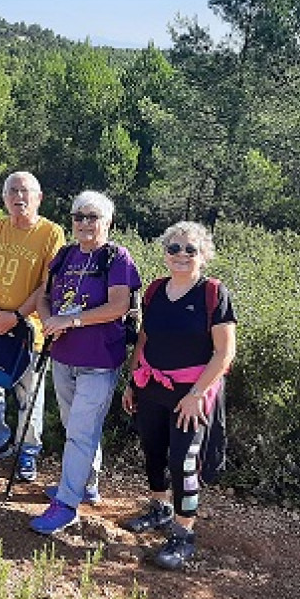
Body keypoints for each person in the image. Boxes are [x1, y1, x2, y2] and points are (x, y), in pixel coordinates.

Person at [121, 222, 236, 570]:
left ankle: (183, 533)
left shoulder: (213, 294)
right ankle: (160, 507)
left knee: (183, 460)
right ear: (165, 253)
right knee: (152, 449)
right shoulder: (155, 291)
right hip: (152, 384)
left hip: (193, 392)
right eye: (174, 248)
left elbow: (224, 352)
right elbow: (144, 339)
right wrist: (132, 380)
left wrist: (197, 394)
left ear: (204, 255)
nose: (182, 255)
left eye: (190, 249)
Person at [31, 191, 140, 534]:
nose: (84, 223)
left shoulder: (117, 258)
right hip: (63, 357)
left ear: (108, 222)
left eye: (92, 217)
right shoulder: (64, 255)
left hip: (100, 360)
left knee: (80, 432)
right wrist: (49, 319)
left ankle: (66, 504)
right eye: (79, 216)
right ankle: (86, 483)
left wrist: (71, 321)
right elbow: (43, 297)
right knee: (74, 427)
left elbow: (118, 306)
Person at [0, 171, 65, 481]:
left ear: (38, 198)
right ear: (4, 197)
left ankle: (28, 451)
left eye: (25, 191)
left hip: (28, 327)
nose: (18, 196)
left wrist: (17, 316)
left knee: (29, 394)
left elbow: (47, 287)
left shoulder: (51, 234)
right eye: (12, 190)